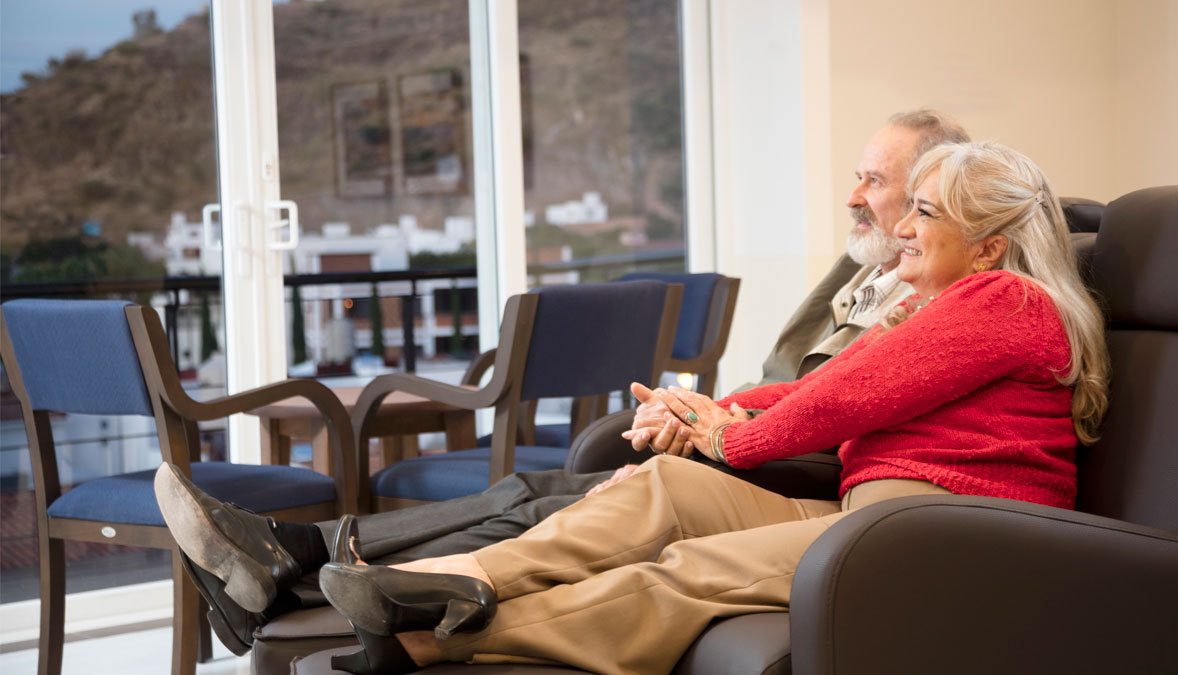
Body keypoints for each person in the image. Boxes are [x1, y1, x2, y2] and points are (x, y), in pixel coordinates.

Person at [158, 140, 1109, 674]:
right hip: (878, 506)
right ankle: (442, 578)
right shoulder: (948, 301)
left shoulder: (1006, 302)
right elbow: (823, 385)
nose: (901, 224)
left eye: (927, 212)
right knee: (656, 489)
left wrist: (729, 432)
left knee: (691, 563)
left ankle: (422, 640)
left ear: (989, 246)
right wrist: (713, 413)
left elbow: (848, 395)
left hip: (941, 529)